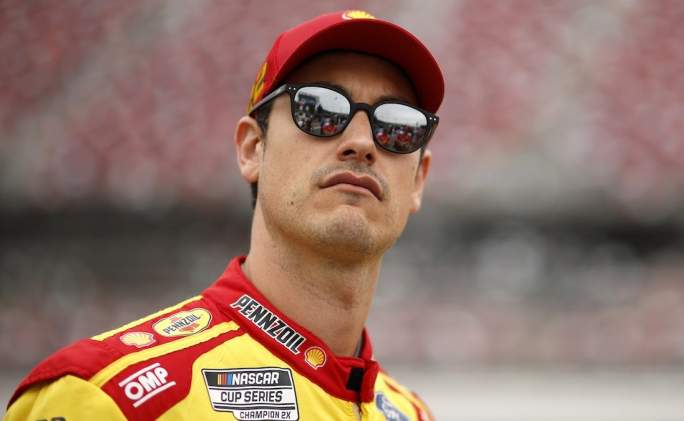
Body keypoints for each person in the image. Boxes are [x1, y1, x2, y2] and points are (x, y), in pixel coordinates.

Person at [4, 9, 444, 421]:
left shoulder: (414, 414)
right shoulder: (106, 398)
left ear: (418, 181)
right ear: (253, 149)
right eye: (321, 109)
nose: (363, 141)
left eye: (399, 126)